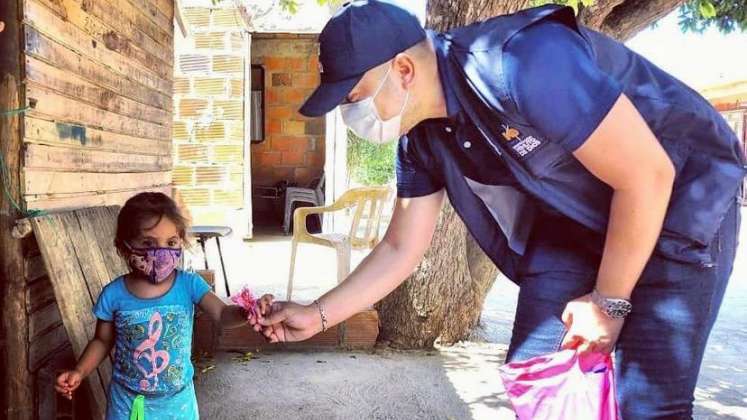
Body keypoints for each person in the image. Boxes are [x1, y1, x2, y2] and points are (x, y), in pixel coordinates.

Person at [252, 1, 746, 418]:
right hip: (574, 224)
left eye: (352, 97)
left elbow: (646, 175)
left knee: (648, 404)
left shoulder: (522, 62)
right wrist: (318, 316)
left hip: (682, 201)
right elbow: (402, 246)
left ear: (403, 70)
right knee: (542, 383)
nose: (349, 114)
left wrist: (607, 302)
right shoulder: (419, 140)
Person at [55, 192, 272, 419]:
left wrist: (247, 311)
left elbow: (222, 314)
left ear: (180, 241)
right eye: (148, 243)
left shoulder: (189, 284)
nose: (161, 252)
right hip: (128, 404)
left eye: (171, 243)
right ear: (125, 246)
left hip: (178, 404)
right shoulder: (113, 294)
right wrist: (79, 371)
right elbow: (102, 340)